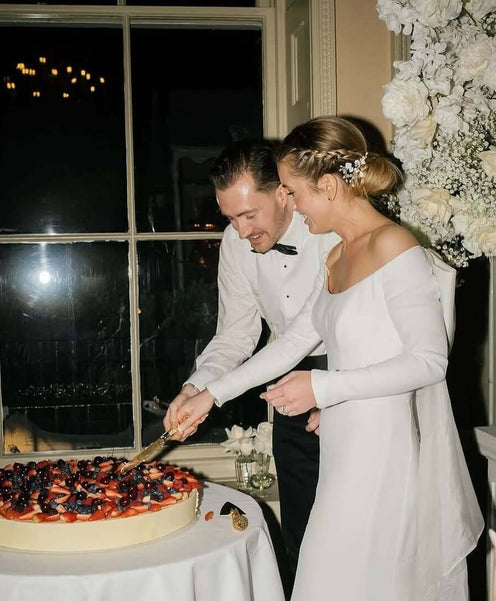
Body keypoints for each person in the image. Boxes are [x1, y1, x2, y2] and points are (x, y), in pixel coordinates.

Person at [165, 117, 483, 601]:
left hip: (383, 448)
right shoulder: (337, 256)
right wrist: (208, 393)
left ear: (327, 187)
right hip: (339, 437)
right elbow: (293, 343)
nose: (291, 201)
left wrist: (324, 390)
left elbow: (429, 362)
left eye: (293, 190)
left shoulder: (397, 246)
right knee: (318, 568)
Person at [166, 139, 338, 578]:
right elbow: (236, 335)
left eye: (249, 215)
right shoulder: (235, 243)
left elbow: (307, 331)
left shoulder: (329, 230)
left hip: (347, 374)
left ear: (283, 193)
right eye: (230, 218)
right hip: (288, 383)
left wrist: (215, 396)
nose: (241, 231)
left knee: (350, 526)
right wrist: (195, 386)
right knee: (302, 531)